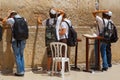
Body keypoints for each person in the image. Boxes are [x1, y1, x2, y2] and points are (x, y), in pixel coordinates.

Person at [6, 11, 27, 76]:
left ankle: (20, 72)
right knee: (21, 55)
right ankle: (22, 70)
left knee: (17, 55)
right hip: (23, 39)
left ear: (12, 15)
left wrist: (8, 16)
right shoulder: (24, 19)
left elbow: (4, 21)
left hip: (15, 40)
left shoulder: (12, 19)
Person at [42, 8, 58, 73]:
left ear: (49, 14)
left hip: (48, 41)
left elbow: (40, 22)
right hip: (55, 40)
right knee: (56, 54)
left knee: (49, 55)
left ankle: (48, 69)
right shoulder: (57, 21)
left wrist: (39, 19)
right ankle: (58, 69)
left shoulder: (46, 21)